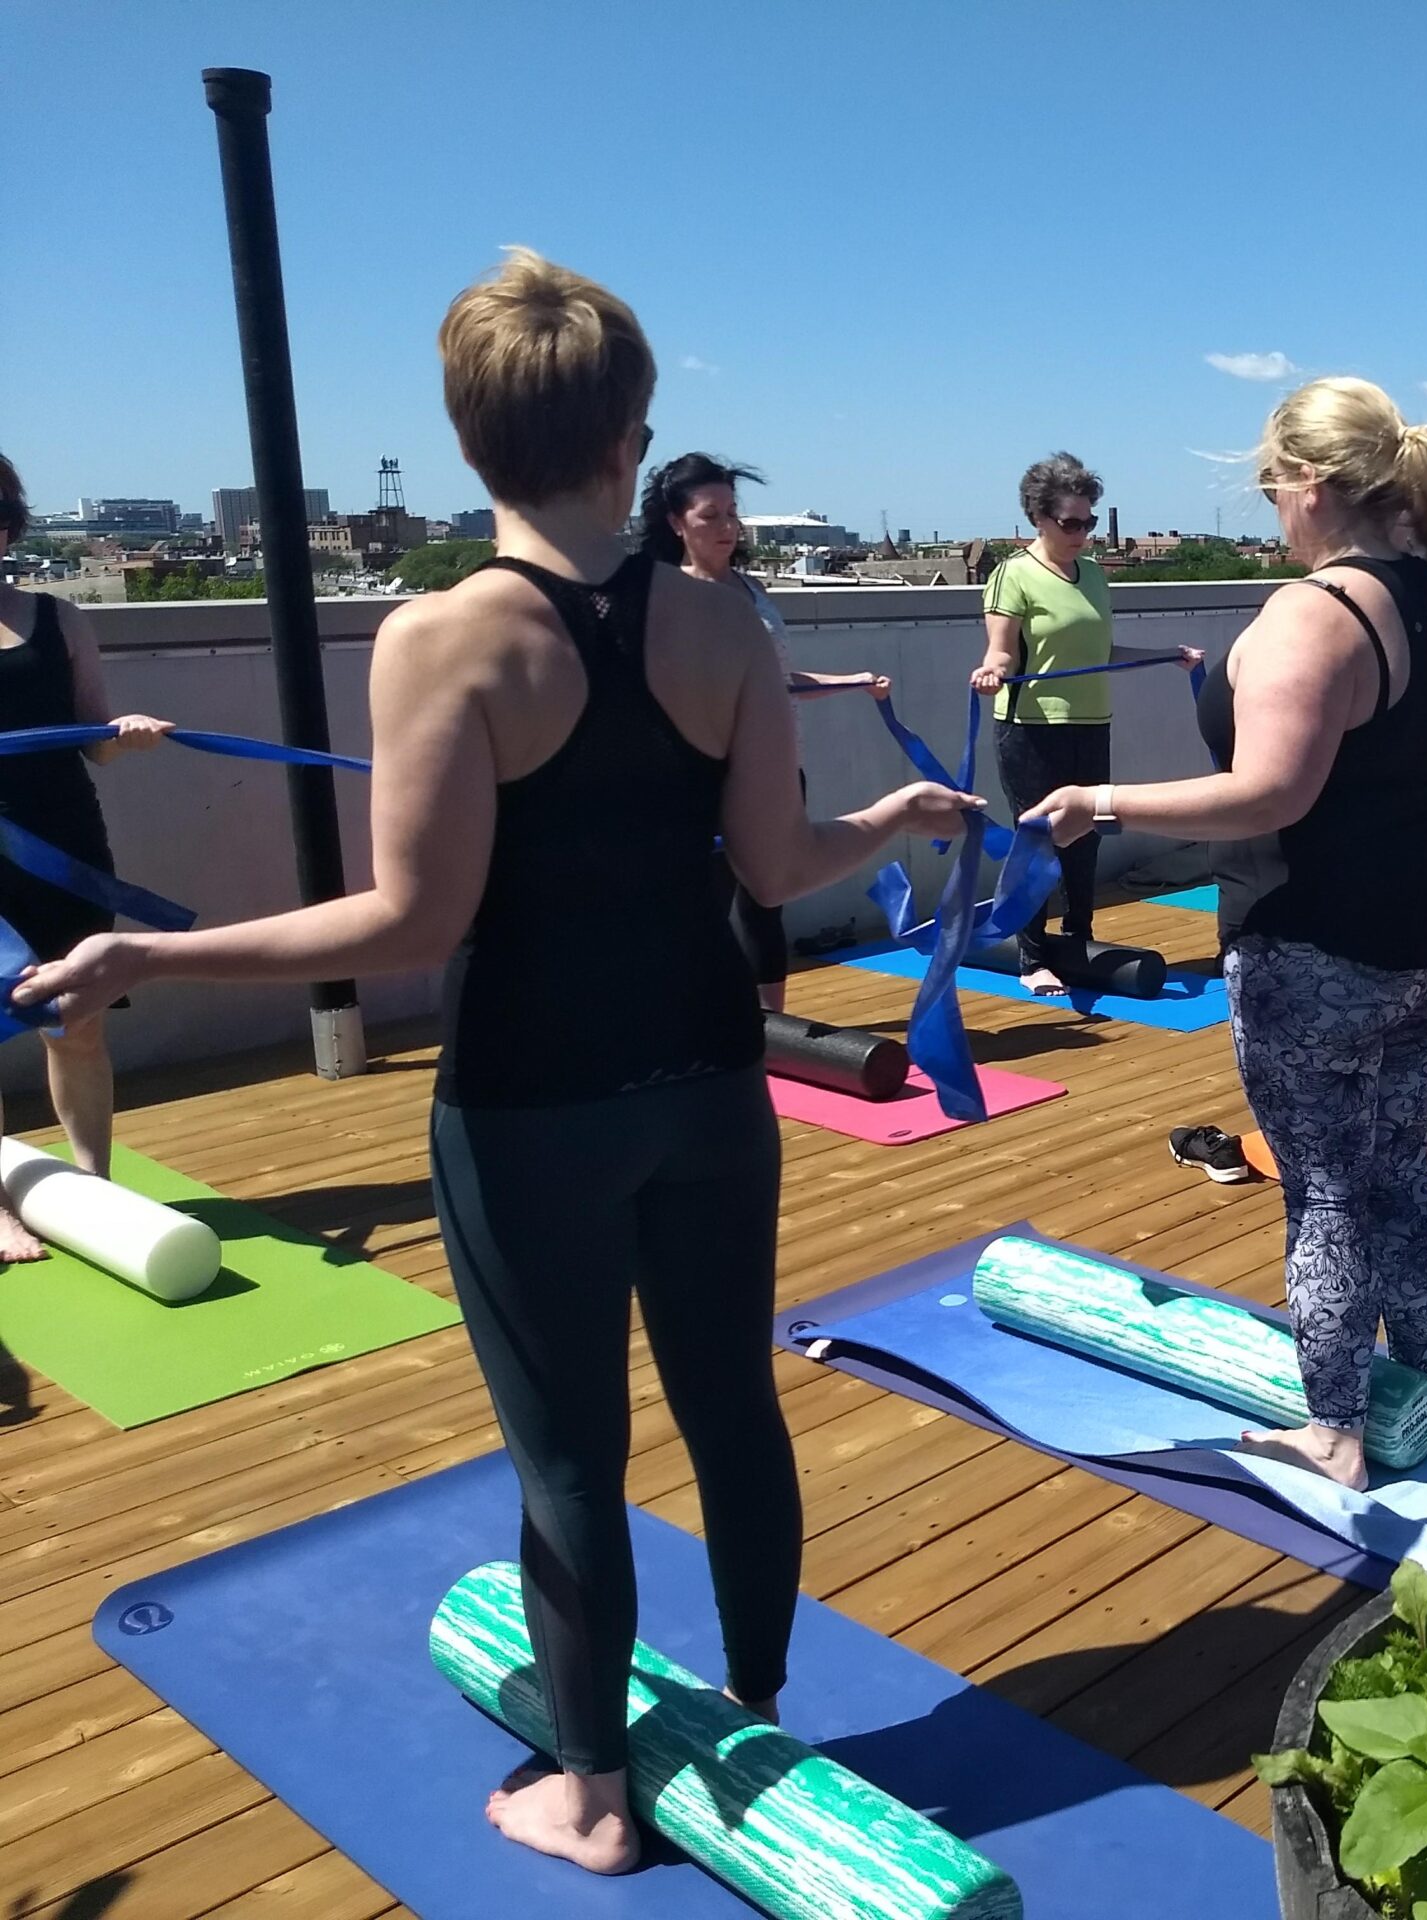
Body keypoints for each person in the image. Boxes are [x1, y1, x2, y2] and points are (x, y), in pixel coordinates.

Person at [16, 251, 976, 1874]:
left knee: (570, 1460)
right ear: (633, 439)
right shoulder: (725, 622)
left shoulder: (442, 640)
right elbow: (772, 864)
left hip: (534, 1110)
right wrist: (883, 824)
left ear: (467, 448)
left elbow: (409, 923)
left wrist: (142, 953)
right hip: (710, 1084)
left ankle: (596, 1795)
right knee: (733, 1405)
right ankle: (752, 1705)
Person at [1021, 377, 1427, 1490]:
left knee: (1326, 1189)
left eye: (1275, 485)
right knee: (1399, 1170)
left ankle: (1333, 1431)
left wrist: (1102, 803)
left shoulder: (1310, 612)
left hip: (1314, 940)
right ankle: (1413, 1387)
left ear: (1315, 487)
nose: (1274, 507)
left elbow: (1268, 796)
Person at [0, 451, 173, 1264]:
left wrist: (125, 735)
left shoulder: (59, 618)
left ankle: (93, 1184)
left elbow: (94, 741)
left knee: (76, 1027)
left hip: (64, 848)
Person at [640, 452, 889, 1010]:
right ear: (676, 522)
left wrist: (852, 681)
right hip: (706, 779)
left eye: (733, 513)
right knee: (702, 908)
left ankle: (772, 1029)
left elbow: (780, 681)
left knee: (766, 903)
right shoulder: (666, 596)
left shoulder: (753, 590)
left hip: (777, 771)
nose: (728, 527)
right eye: (711, 516)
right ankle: (697, 1026)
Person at [971, 454, 1200, 995]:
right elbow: (1001, 653)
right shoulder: (1012, 576)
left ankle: (1078, 945)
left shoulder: (1094, 575)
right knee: (1039, 841)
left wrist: (1166, 654)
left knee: (1088, 837)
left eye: (1088, 522)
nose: (1082, 534)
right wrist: (990, 672)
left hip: (1091, 723)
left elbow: (1101, 650)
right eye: (1070, 523)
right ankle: (1031, 958)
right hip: (1031, 727)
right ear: (1039, 519)